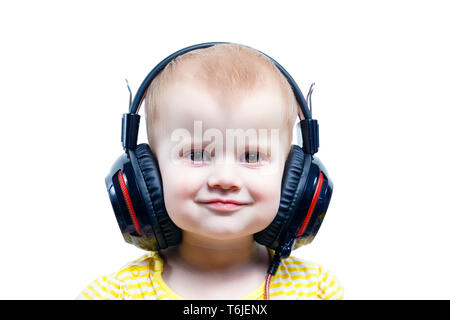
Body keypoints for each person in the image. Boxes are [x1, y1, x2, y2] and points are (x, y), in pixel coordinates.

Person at [76, 43, 344, 300]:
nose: (225, 179)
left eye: (251, 156)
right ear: (149, 174)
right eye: (195, 155)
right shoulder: (115, 294)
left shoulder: (319, 290)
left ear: (292, 177)